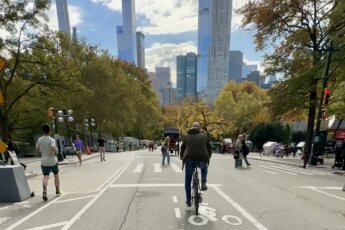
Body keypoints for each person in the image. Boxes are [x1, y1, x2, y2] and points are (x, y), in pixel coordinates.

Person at [180, 122, 212, 207]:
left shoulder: (186, 136)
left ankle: (188, 200)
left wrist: (182, 157)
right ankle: (203, 182)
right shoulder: (205, 136)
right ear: (199, 128)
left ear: (192, 128)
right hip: (202, 159)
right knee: (204, 167)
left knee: (188, 180)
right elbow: (209, 148)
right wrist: (208, 157)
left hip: (189, 159)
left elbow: (183, 147)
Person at [36, 123, 62, 201]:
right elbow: (52, 147)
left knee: (46, 176)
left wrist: (42, 151)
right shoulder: (51, 140)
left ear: (43, 131)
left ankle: (44, 191)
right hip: (52, 160)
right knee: (56, 175)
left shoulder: (39, 139)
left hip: (44, 161)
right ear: (50, 130)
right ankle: (57, 191)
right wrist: (56, 151)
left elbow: (37, 149)